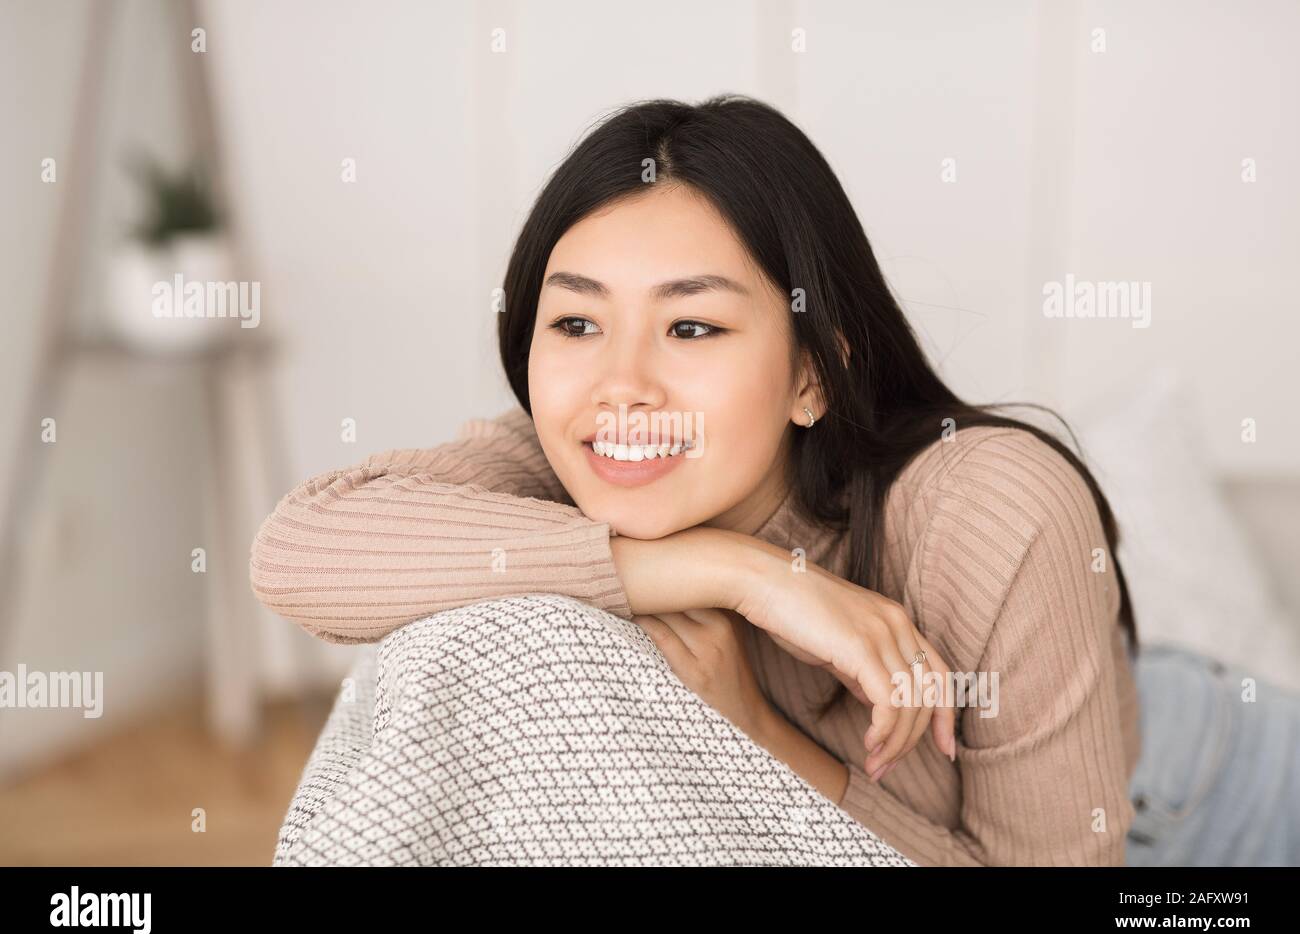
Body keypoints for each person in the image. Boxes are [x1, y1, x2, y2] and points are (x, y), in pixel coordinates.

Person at [251, 94, 1141, 865]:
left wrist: (753, 730)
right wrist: (738, 572)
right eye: (575, 322)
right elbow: (296, 551)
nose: (621, 387)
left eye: (690, 328)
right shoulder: (562, 457)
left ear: (812, 376)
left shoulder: (994, 512)